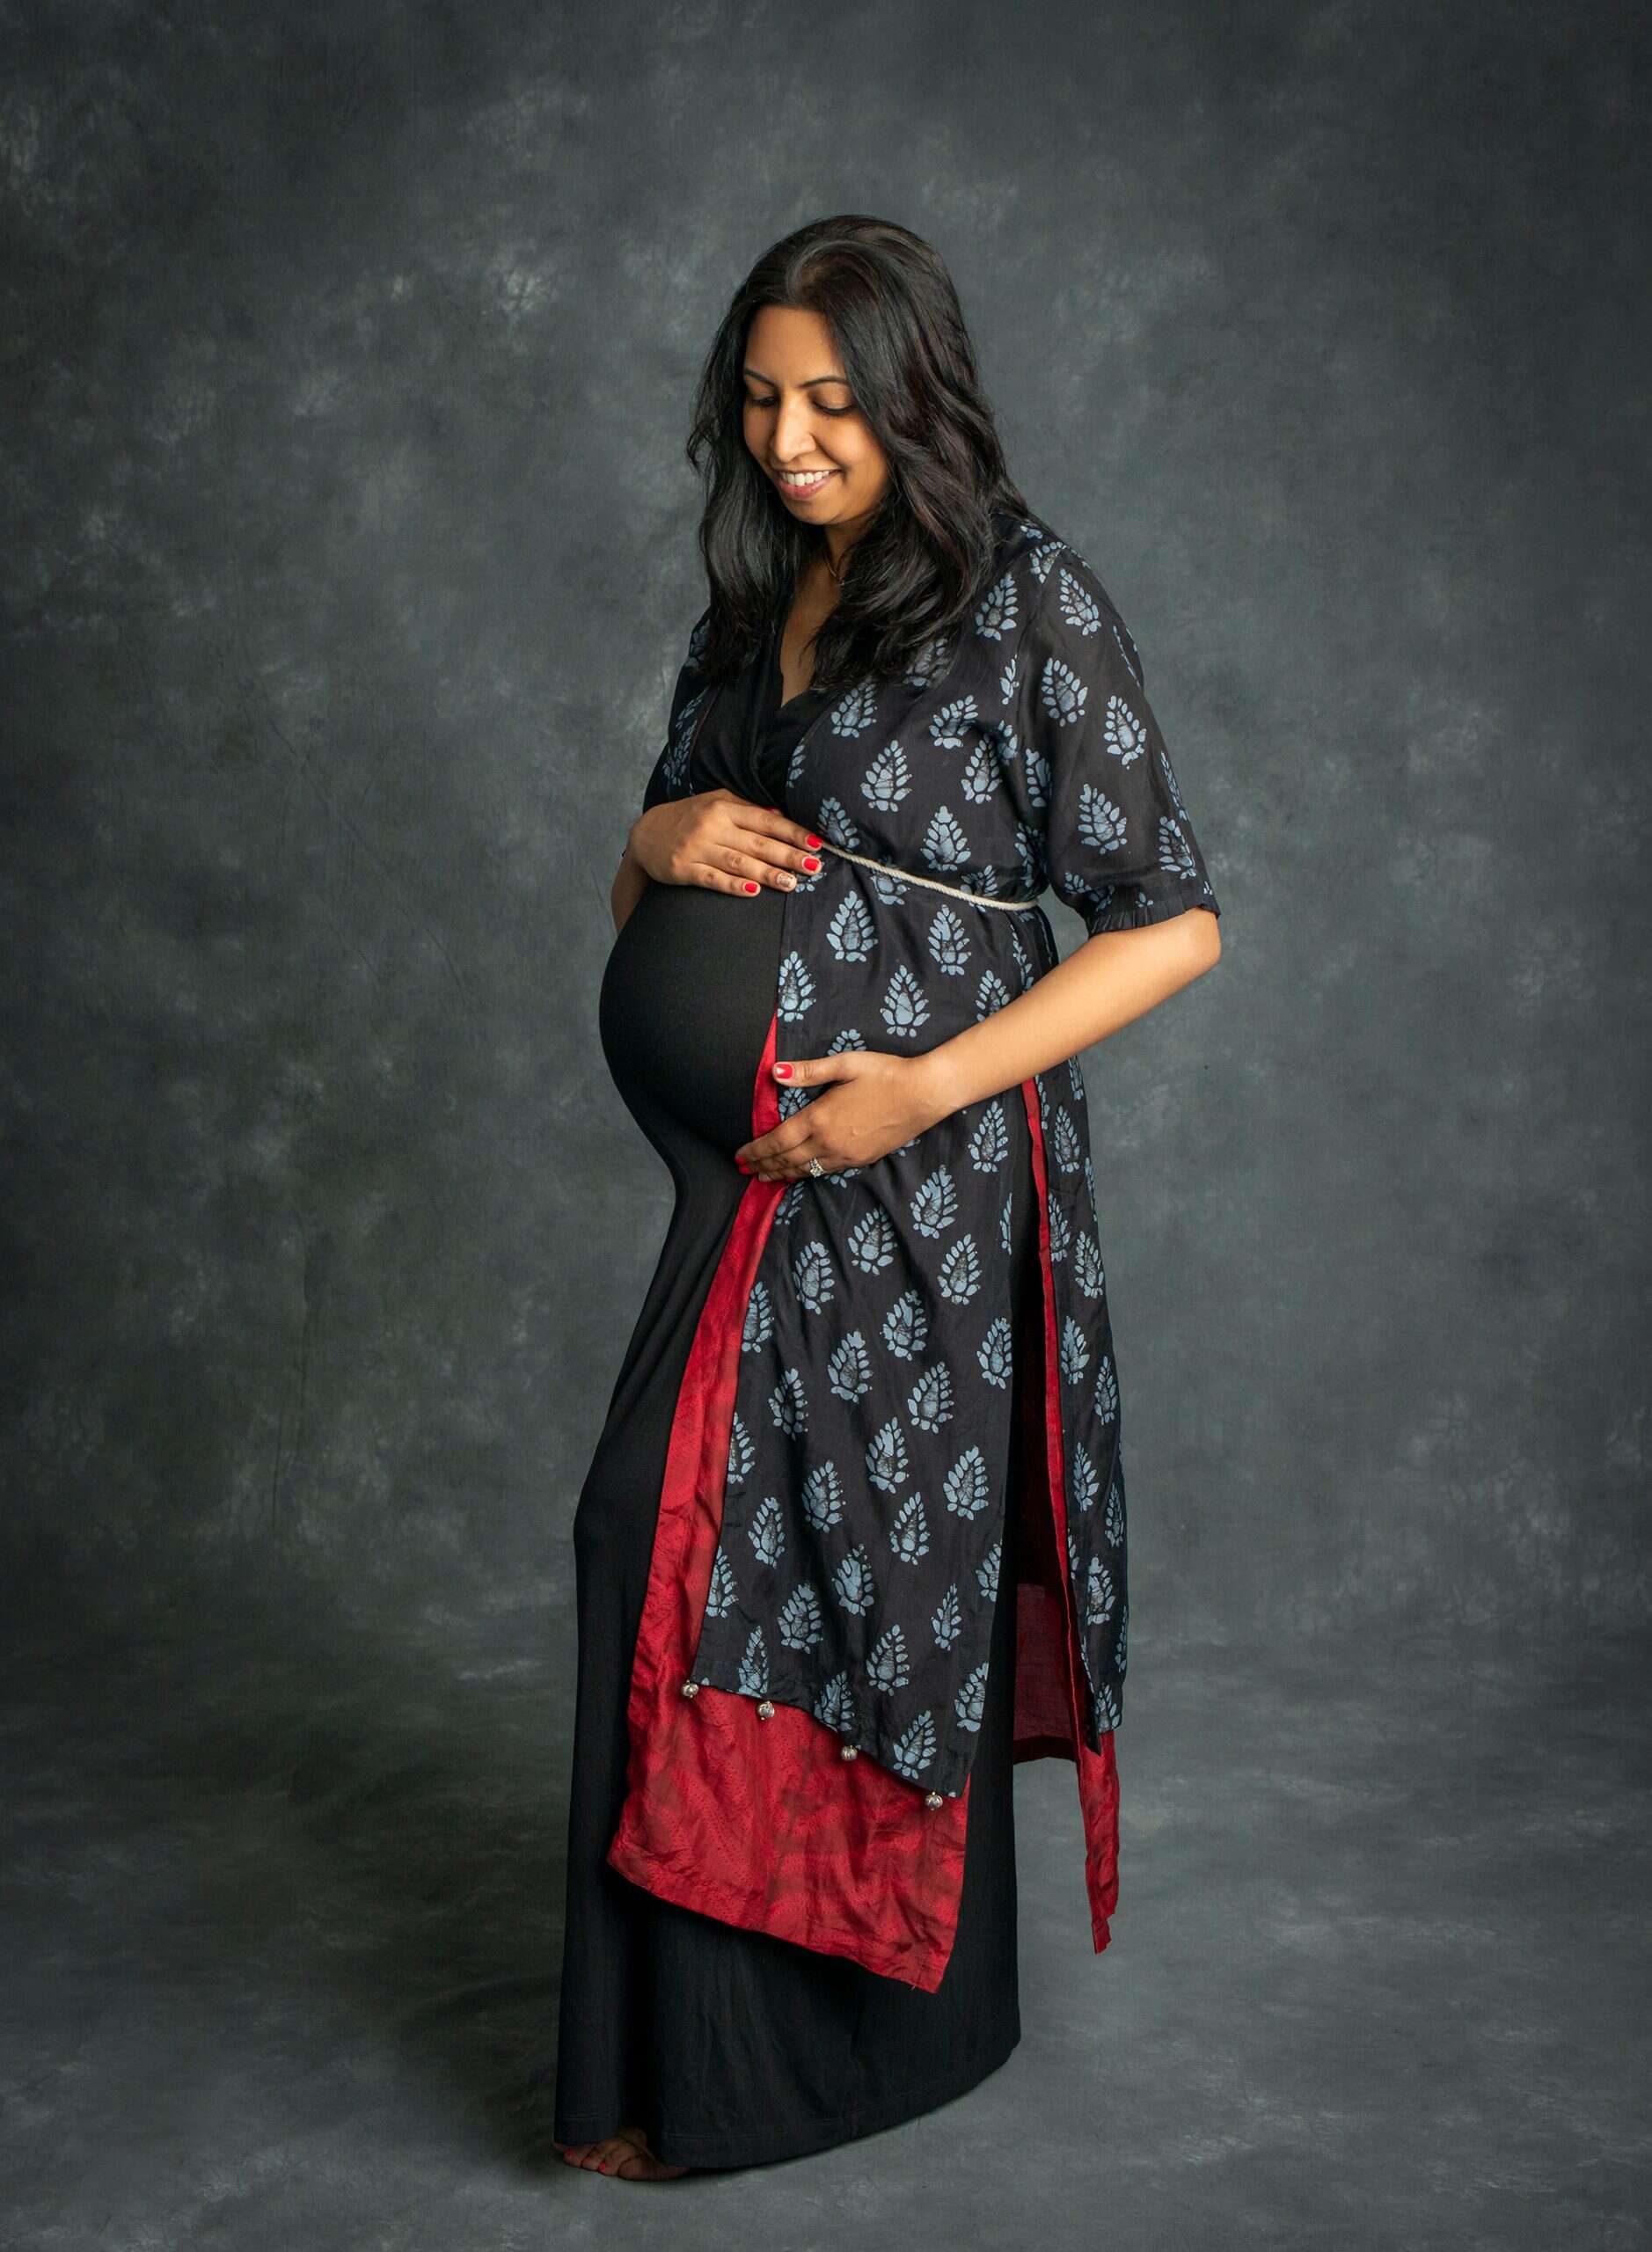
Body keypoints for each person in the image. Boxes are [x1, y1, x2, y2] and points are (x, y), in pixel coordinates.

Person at [552, 214, 1223, 2180]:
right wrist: (652, 828)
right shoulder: (753, 604)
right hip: (743, 1186)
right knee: (667, 1554)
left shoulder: (1024, 599)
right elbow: (654, 895)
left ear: (913, 397)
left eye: (833, 402)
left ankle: (790, 2068)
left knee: (776, 1581)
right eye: (760, 401)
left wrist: (922, 1083)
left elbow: (1174, 923)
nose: (788, 439)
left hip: (905, 1185)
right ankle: (653, 2065)